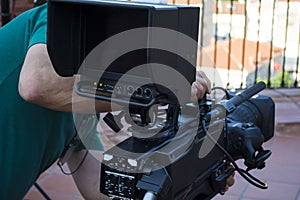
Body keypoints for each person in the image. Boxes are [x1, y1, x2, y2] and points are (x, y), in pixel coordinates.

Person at [0, 2, 233, 199]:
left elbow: (97, 187)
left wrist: (197, 179)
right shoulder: (59, 17)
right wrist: (156, 92)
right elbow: (36, 85)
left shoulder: (83, 105)